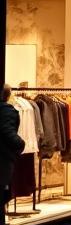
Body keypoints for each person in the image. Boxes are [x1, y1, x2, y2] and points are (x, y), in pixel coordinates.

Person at [0, 84, 25, 214]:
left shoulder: (5, 110)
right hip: (4, 156)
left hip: (5, 155)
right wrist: (21, 144)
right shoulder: (7, 110)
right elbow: (8, 132)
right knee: (4, 190)